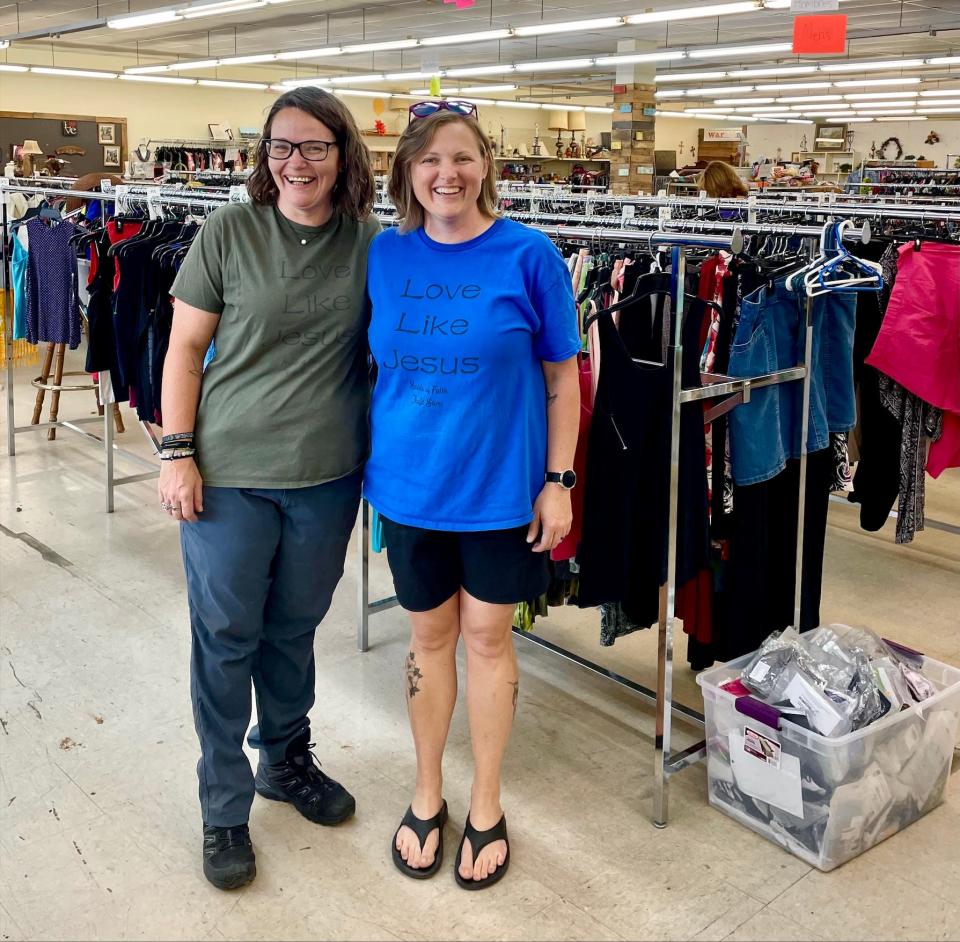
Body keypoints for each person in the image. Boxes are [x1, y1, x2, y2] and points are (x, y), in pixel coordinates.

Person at [158, 87, 379, 890]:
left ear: (342, 155)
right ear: (264, 157)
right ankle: (223, 810)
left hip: (326, 478)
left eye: (315, 146)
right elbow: (185, 350)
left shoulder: (368, 244)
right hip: (229, 477)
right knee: (225, 640)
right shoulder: (229, 231)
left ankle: (283, 761)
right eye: (282, 147)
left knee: (293, 630)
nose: (298, 162)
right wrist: (175, 453)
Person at [364, 101, 581, 890]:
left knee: (488, 640)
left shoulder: (530, 256)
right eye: (428, 161)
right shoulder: (385, 257)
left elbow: (563, 380)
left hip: (500, 493)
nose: (445, 174)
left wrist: (559, 482)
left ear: (485, 164)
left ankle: (485, 803)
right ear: (407, 174)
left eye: (460, 157)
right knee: (427, 642)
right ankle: (429, 792)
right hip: (409, 490)